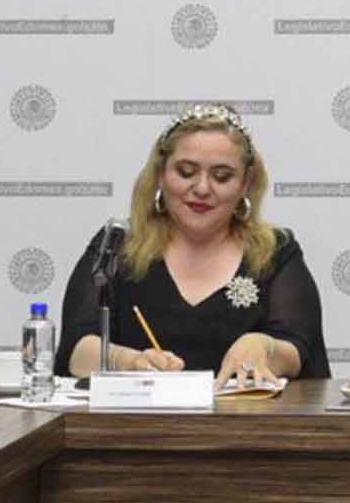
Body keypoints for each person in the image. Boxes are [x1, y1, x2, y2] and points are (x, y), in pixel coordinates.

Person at [56, 105, 328, 383]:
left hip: (244, 412)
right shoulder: (118, 244)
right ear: (160, 173)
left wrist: (265, 346)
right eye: (186, 172)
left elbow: (299, 351)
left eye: (222, 177)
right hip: (137, 411)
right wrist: (130, 362)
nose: (202, 189)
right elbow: (76, 349)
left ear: (246, 183)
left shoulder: (275, 250)